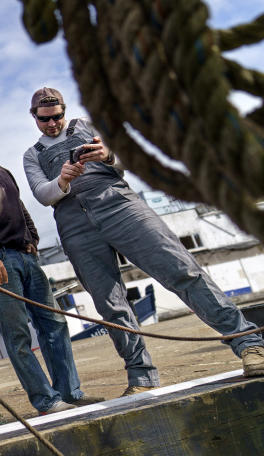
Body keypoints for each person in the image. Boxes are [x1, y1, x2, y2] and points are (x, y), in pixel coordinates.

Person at [22, 87, 264, 395]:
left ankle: (249, 345)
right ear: (34, 117)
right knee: (110, 305)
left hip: (118, 203)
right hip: (73, 221)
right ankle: (141, 376)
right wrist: (63, 179)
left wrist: (107, 155)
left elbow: (126, 161)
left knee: (181, 269)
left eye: (57, 117)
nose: (52, 124)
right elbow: (42, 194)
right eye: (44, 120)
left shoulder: (90, 125)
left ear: (64, 111)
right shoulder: (32, 155)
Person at [0, 119, 102, 415]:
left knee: (53, 324)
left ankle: (70, 392)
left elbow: (20, 208)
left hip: (25, 256)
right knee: (17, 336)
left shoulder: (2, 173)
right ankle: (46, 400)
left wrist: (32, 240)